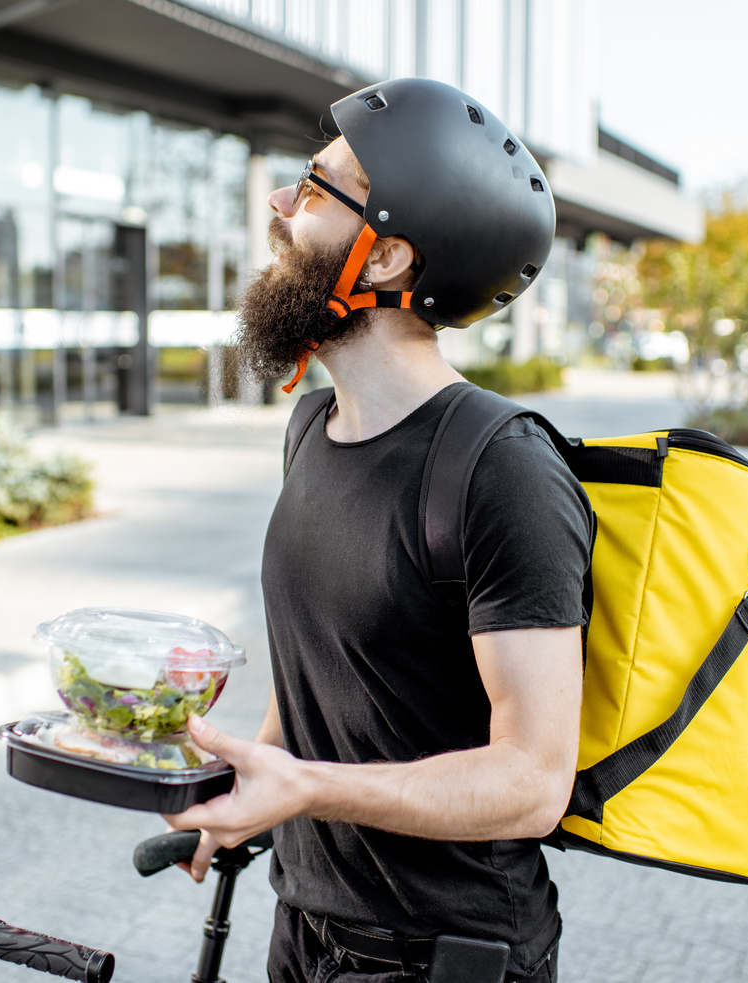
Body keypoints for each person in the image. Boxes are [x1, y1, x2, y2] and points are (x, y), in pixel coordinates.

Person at [164, 78, 593, 983]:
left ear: (389, 258)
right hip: (307, 927)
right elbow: (324, 669)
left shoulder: (500, 467)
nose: (280, 204)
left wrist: (311, 789)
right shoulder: (311, 430)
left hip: (448, 955)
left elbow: (532, 780)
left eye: (316, 191)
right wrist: (257, 777)